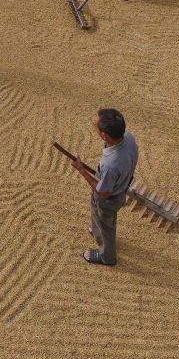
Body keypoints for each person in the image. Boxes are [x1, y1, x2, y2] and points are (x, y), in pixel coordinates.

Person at [68, 108, 139, 266]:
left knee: (106, 225)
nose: (94, 127)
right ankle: (96, 229)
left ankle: (107, 257)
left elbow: (103, 192)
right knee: (98, 216)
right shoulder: (128, 138)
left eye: (96, 127)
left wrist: (81, 170)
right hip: (121, 188)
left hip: (108, 199)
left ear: (105, 135)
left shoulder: (110, 165)